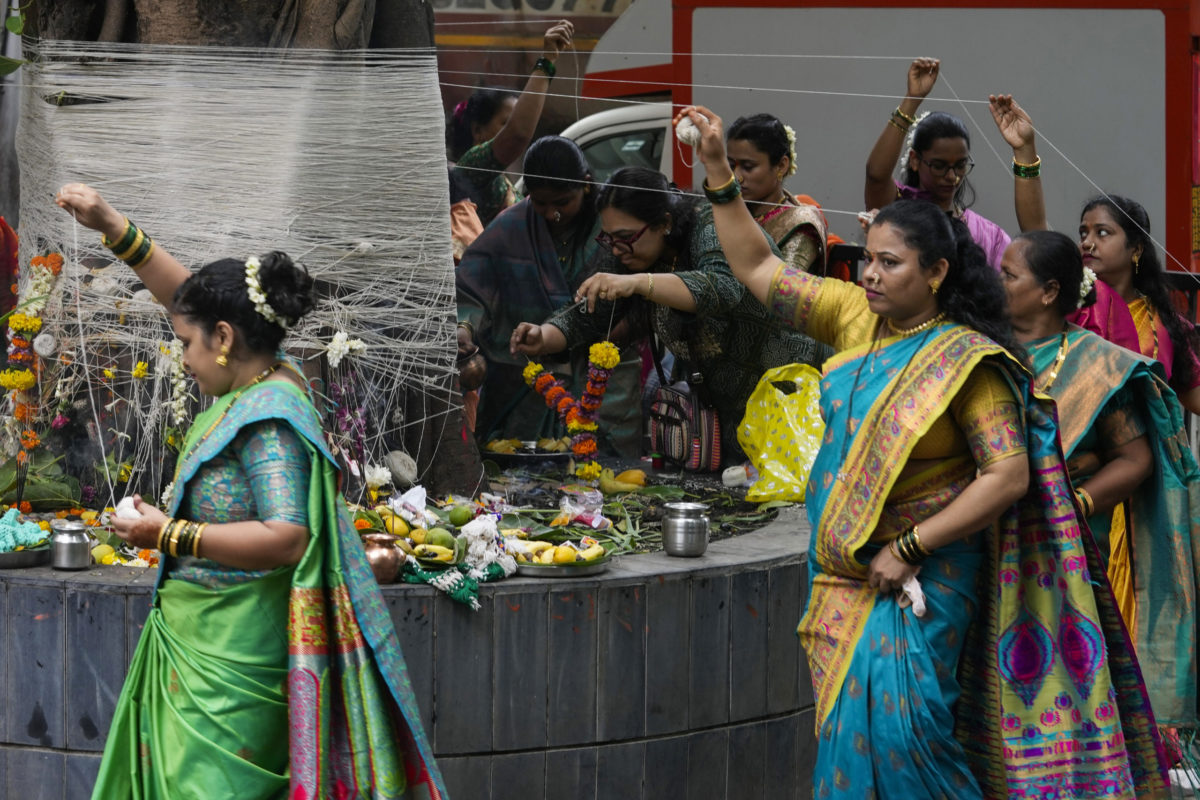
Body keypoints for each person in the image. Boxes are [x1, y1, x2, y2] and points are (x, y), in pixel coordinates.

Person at [678, 104, 1168, 799]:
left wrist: (910, 546)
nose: (870, 275)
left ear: (936, 272)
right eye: (868, 260)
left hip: (926, 577)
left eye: (890, 263)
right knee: (849, 741)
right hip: (843, 580)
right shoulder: (853, 315)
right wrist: (718, 171)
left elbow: (1008, 475)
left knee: (909, 738)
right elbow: (757, 265)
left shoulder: (970, 360)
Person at [54, 184, 444, 799]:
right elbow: (185, 300)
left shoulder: (269, 419)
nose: (183, 358)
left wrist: (167, 533)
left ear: (225, 338)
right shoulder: (261, 374)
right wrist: (113, 226)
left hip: (233, 666)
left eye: (187, 345)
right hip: (198, 640)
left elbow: (287, 537)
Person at [1002, 228, 1200, 733]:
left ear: (1049, 291)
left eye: (1008, 275)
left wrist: (1077, 503)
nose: (995, 283)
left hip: (1069, 551)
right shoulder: (983, 350)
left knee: (1068, 689)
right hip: (987, 543)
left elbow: (1135, 459)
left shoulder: (1098, 365)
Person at [510, 166, 829, 466]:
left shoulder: (711, 224)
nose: (616, 249)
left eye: (625, 237)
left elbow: (721, 288)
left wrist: (638, 283)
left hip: (795, 393)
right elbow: (587, 314)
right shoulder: (630, 254)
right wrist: (543, 336)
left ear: (664, 222)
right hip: (726, 419)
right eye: (608, 238)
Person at [457, 136, 642, 455]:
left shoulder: (613, 227)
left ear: (585, 185)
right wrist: (464, 328)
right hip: (525, 383)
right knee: (524, 473)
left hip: (604, 375)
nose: (551, 213)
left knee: (609, 474)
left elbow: (642, 290)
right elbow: (472, 285)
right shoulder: (511, 227)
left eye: (562, 202)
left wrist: (625, 326)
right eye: (540, 203)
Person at [988, 93, 1141, 354]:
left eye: (1103, 233)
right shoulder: (1073, 287)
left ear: (1136, 249)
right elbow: (1035, 232)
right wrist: (1024, 151)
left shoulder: (1159, 324)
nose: (1088, 243)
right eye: (1083, 233)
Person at [864, 58, 1010, 269]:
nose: (952, 177)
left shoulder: (990, 236)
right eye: (939, 166)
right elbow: (876, 176)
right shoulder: (895, 209)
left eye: (960, 165)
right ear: (915, 160)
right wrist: (912, 100)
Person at [448, 19, 574, 227]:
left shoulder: (502, 179)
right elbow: (518, 134)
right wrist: (546, 62)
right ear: (478, 131)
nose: (520, 125)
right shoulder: (470, 169)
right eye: (506, 123)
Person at [725, 112, 835, 272]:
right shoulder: (727, 212)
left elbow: (785, 285)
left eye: (748, 167)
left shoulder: (799, 225)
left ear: (781, 166)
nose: (736, 176)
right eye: (731, 165)